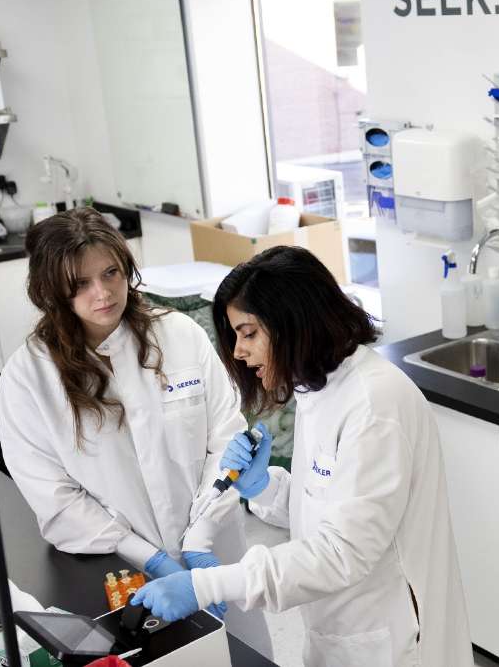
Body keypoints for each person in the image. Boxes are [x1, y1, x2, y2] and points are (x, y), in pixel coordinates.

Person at [134, 246, 472, 667]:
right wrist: (266, 487)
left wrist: (208, 586)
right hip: (340, 627)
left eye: (249, 332)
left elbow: (341, 551)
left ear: (293, 321)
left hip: (391, 639)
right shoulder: (320, 388)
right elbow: (327, 506)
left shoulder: (374, 404)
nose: (239, 352)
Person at [0, 208, 270, 655]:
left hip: (216, 550)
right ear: (51, 291)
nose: (102, 293)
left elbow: (226, 440)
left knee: (246, 657)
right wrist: (154, 560)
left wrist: (198, 544)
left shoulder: (179, 335)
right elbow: (56, 499)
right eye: (80, 284)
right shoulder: (28, 378)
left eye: (111, 273)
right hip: (122, 570)